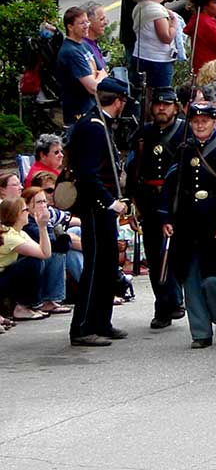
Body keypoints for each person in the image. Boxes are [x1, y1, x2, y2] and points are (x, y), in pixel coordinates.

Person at [157, 102, 216, 348]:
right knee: (191, 281)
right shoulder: (183, 149)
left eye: (204, 121)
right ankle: (200, 333)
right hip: (188, 225)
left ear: (215, 121)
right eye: (195, 121)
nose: (199, 125)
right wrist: (166, 217)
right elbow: (170, 184)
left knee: (214, 281)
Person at [67, 77, 131, 347]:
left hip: (101, 206)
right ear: (119, 101)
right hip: (96, 207)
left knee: (107, 265)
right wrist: (110, 202)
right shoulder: (93, 127)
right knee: (95, 266)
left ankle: (101, 322)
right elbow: (88, 175)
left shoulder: (99, 123)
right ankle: (82, 327)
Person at [128, 86, 188, 330]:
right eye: (158, 104)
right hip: (149, 198)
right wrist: (132, 201)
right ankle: (163, 305)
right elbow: (133, 169)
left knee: (175, 253)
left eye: (167, 104)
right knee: (154, 254)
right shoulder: (143, 133)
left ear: (176, 107)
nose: (161, 108)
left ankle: (176, 299)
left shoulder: (185, 131)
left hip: (176, 198)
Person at [0, 195, 53, 322]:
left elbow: (44, 252)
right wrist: (42, 227)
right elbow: (44, 254)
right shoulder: (10, 237)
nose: (28, 212)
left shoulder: (20, 233)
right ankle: (22, 307)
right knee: (33, 263)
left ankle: (29, 304)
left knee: (36, 260)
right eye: (25, 210)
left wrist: (43, 227)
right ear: (16, 214)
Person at [22, 186, 73, 315]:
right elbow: (46, 244)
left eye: (44, 201)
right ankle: (47, 299)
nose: (44, 205)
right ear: (27, 205)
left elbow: (67, 219)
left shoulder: (49, 215)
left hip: (42, 253)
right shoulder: (27, 221)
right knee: (56, 254)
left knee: (73, 238)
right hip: (27, 260)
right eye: (39, 202)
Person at [55, 6, 103, 124]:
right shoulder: (70, 52)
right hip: (79, 113)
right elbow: (93, 88)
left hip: (92, 107)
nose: (87, 25)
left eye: (87, 21)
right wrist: (99, 79)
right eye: (82, 23)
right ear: (70, 27)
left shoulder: (84, 45)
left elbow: (102, 70)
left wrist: (98, 78)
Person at [131, 0, 180, 88]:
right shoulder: (156, 11)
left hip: (140, 55)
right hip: (158, 60)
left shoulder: (140, 6)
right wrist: (174, 23)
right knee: (160, 95)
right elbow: (166, 38)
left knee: (141, 91)